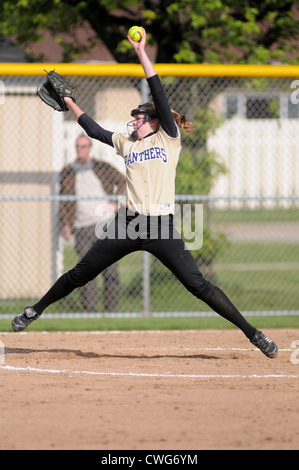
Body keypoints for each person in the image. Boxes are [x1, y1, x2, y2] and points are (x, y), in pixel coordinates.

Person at [12, 28, 278, 358]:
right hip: (129, 223)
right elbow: (93, 130)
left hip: (161, 227)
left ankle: (254, 334)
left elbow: (158, 91)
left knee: (199, 286)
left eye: (138, 115)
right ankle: (34, 311)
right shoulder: (128, 144)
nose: (133, 119)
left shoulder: (168, 135)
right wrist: (69, 101)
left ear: (152, 119)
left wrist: (141, 53)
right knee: (81, 273)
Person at [59, 134, 125, 312]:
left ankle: (110, 310)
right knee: (87, 271)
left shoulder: (101, 167)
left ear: (90, 148)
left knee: (110, 268)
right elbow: (62, 202)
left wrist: (116, 203)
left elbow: (123, 181)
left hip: (104, 224)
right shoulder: (67, 171)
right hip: (81, 226)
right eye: (78, 147)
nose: (80, 150)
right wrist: (65, 224)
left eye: (84, 146)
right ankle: (89, 310)